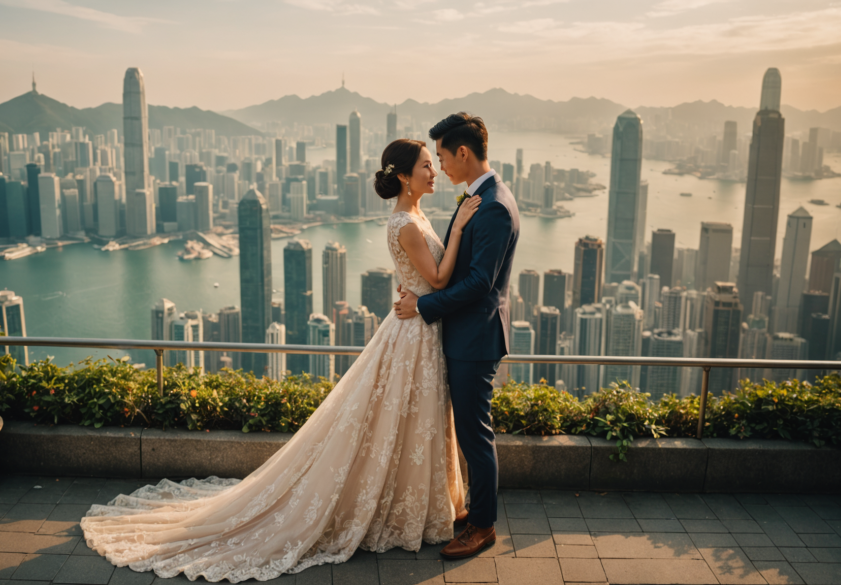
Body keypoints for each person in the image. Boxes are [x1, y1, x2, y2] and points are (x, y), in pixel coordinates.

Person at [80, 138, 482, 582]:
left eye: (433, 163)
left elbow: (423, 277)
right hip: (413, 335)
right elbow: (440, 278)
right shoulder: (406, 222)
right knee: (403, 420)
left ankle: (428, 506)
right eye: (427, 165)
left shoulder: (415, 216)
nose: (434, 171)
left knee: (410, 422)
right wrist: (460, 226)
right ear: (404, 176)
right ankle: (407, 509)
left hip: (417, 328)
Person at [394, 112, 521, 559]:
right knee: (467, 430)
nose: (440, 167)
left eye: (443, 157)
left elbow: (478, 285)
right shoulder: (478, 199)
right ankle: (476, 510)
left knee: (474, 433)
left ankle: (483, 525)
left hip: (474, 340)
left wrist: (422, 305)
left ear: (463, 152)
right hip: (465, 335)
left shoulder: (494, 208)